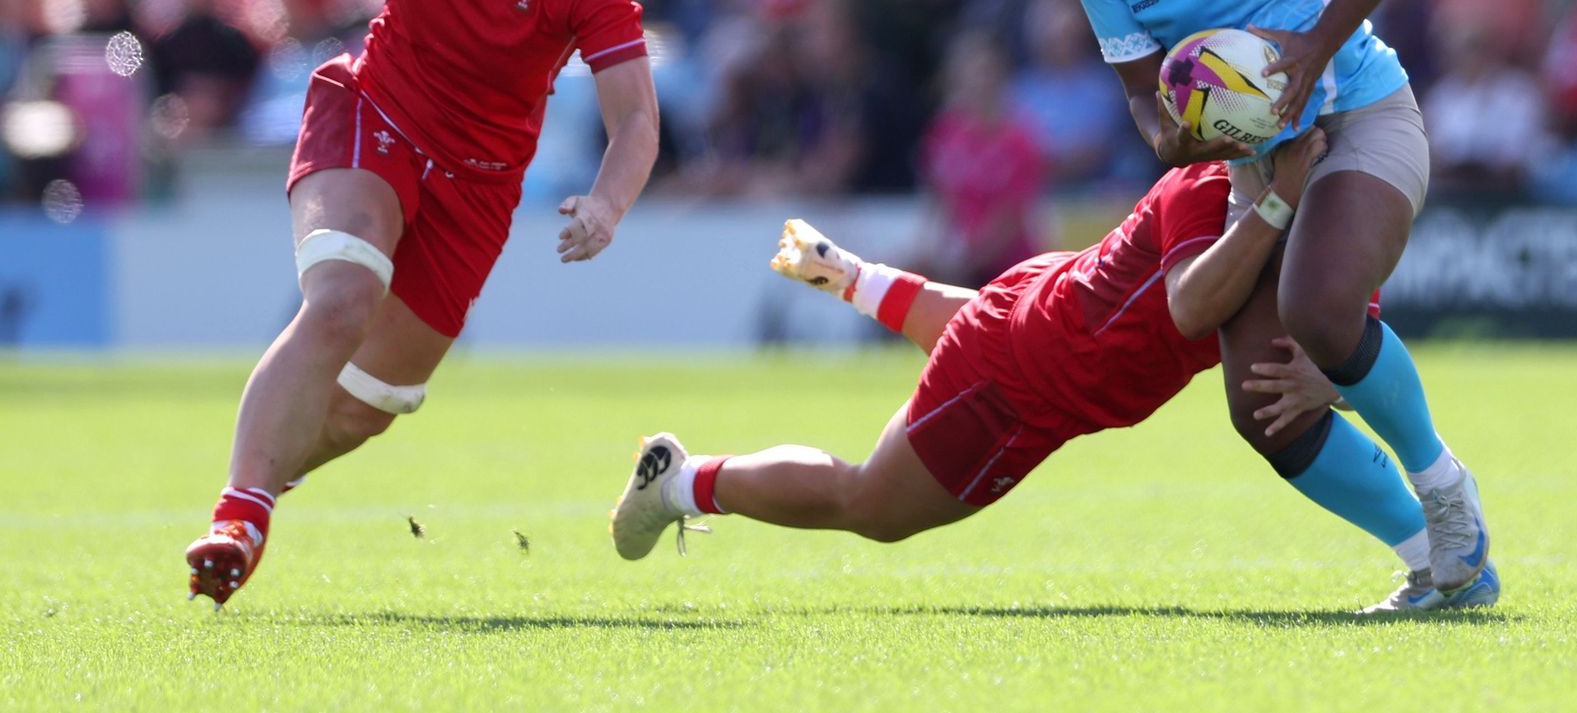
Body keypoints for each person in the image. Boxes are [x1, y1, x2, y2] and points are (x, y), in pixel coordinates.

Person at [612, 134, 1499, 614]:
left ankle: (849, 275)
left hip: (1030, 312)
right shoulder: (1220, 190)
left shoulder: (1313, 196)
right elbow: (1197, 306)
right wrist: (1273, 202)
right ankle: (683, 479)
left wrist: (1333, 374)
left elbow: (1349, 337)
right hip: (1022, 385)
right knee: (869, 507)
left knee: (998, 341)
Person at [185, 0, 660, 607]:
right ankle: (240, 517)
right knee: (341, 299)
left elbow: (635, 120)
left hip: (477, 187)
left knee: (366, 407)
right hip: (374, 115)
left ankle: (263, 477)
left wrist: (607, 203)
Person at [1059, 0, 1490, 598]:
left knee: (1321, 311)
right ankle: (1441, 571)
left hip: (1362, 114)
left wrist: (1314, 47)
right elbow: (1145, 98)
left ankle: (1445, 486)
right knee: (1264, 404)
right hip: (1256, 161)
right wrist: (1175, 138)